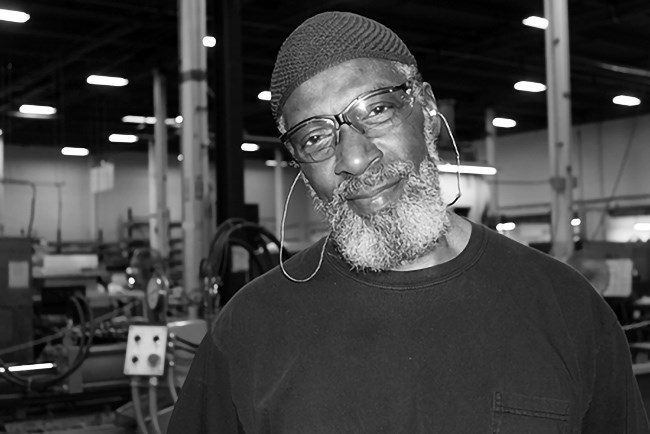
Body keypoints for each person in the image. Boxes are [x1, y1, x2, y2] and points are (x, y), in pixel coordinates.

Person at [167, 11, 649, 433]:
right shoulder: (249, 330)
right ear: (299, 165)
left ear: (427, 111)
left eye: (376, 110)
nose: (353, 159)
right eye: (315, 138)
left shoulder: (565, 308)